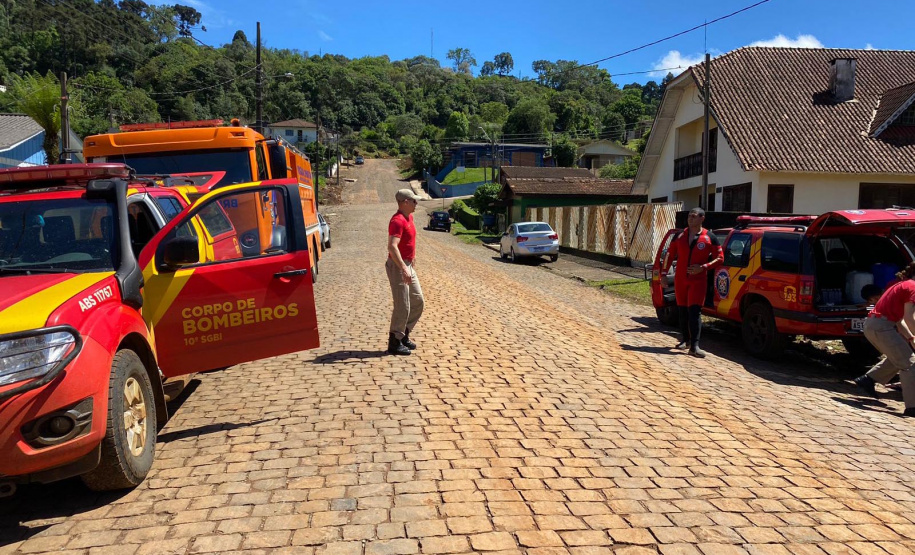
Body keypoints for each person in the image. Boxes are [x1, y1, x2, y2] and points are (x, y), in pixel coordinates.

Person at [660, 207, 723, 358]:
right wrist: (663, 274)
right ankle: (685, 340)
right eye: (689, 216)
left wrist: (704, 267)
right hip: (680, 279)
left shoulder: (710, 237)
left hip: (698, 280)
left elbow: (720, 258)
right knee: (682, 311)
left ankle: (695, 346)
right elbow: (669, 255)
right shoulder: (679, 236)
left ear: (702, 218)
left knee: (694, 312)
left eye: (694, 216)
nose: (690, 219)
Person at [853, 263, 915, 416]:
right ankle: (912, 407)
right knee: (910, 364)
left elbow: (900, 320)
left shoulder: (902, 285)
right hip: (882, 326)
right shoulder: (913, 287)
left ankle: (868, 379)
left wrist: (910, 337)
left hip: (875, 324)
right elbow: (909, 318)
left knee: (900, 355)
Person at [386, 188, 425, 356]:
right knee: (403, 305)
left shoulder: (410, 217)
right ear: (405, 202)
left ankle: (404, 334)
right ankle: (394, 342)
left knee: (417, 301)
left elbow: (410, 240)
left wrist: (412, 257)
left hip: (407, 264)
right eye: (414, 201)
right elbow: (392, 246)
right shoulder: (397, 220)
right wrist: (403, 267)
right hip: (398, 266)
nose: (416, 203)